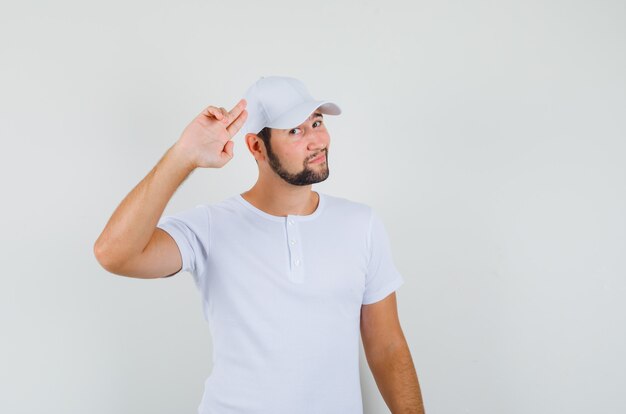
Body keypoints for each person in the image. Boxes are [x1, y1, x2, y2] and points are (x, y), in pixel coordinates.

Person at [94, 75, 425, 414]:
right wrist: (183, 156)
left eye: (316, 122)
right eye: (294, 131)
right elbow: (114, 254)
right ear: (256, 147)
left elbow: (387, 346)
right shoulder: (211, 226)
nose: (316, 140)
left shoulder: (361, 224)